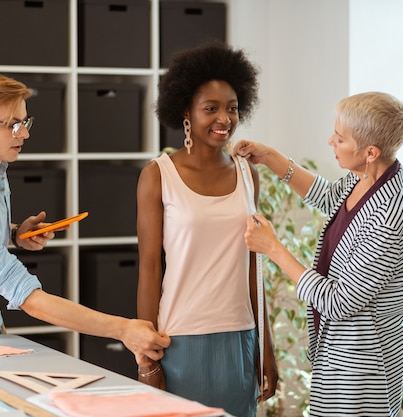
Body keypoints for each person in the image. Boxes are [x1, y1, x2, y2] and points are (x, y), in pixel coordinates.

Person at [0, 72, 170, 367]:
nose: (24, 133)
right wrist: (123, 329)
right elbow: (27, 297)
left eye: (25, 121)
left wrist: (14, 233)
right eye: (13, 125)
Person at [234, 91, 403, 417]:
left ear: (370, 151)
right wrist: (271, 158)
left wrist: (274, 249)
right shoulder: (364, 176)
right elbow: (329, 196)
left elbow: (339, 301)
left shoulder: (391, 216)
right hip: (337, 353)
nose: (330, 141)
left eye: (340, 138)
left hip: (363, 364)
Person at [136, 42, 277, 417]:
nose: (224, 119)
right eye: (210, 108)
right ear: (186, 111)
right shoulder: (158, 175)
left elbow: (254, 264)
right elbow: (149, 269)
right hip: (179, 339)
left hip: (240, 335)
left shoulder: (248, 175)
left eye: (231, 108)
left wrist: (266, 344)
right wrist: (146, 358)